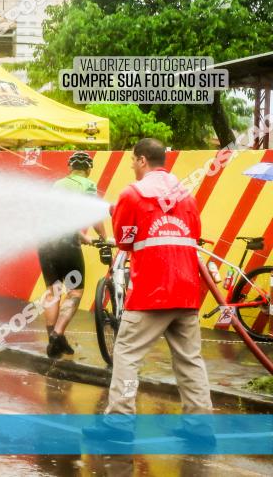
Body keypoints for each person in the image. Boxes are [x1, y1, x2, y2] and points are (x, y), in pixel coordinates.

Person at [83, 138, 213, 443]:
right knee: (190, 359)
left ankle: (119, 424)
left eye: (132, 160)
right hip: (186, 291)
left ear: (143, 160)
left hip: (151, 293)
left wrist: (119, 212)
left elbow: (126, 241)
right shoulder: (187, 196)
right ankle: (200, 427)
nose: (131, 164)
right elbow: (194, 236)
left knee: (126, 354)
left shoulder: (132, 193)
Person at [37, 151, 107, 359]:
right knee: (75, 292)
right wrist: (103, 236)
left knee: (53, 291)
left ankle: (54, 339)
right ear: (88, 170)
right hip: (66, 243)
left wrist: (79, 235)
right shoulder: (88, 184)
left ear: (70, 168)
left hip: (45, 241)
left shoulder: (57, 185)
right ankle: (58, 334)